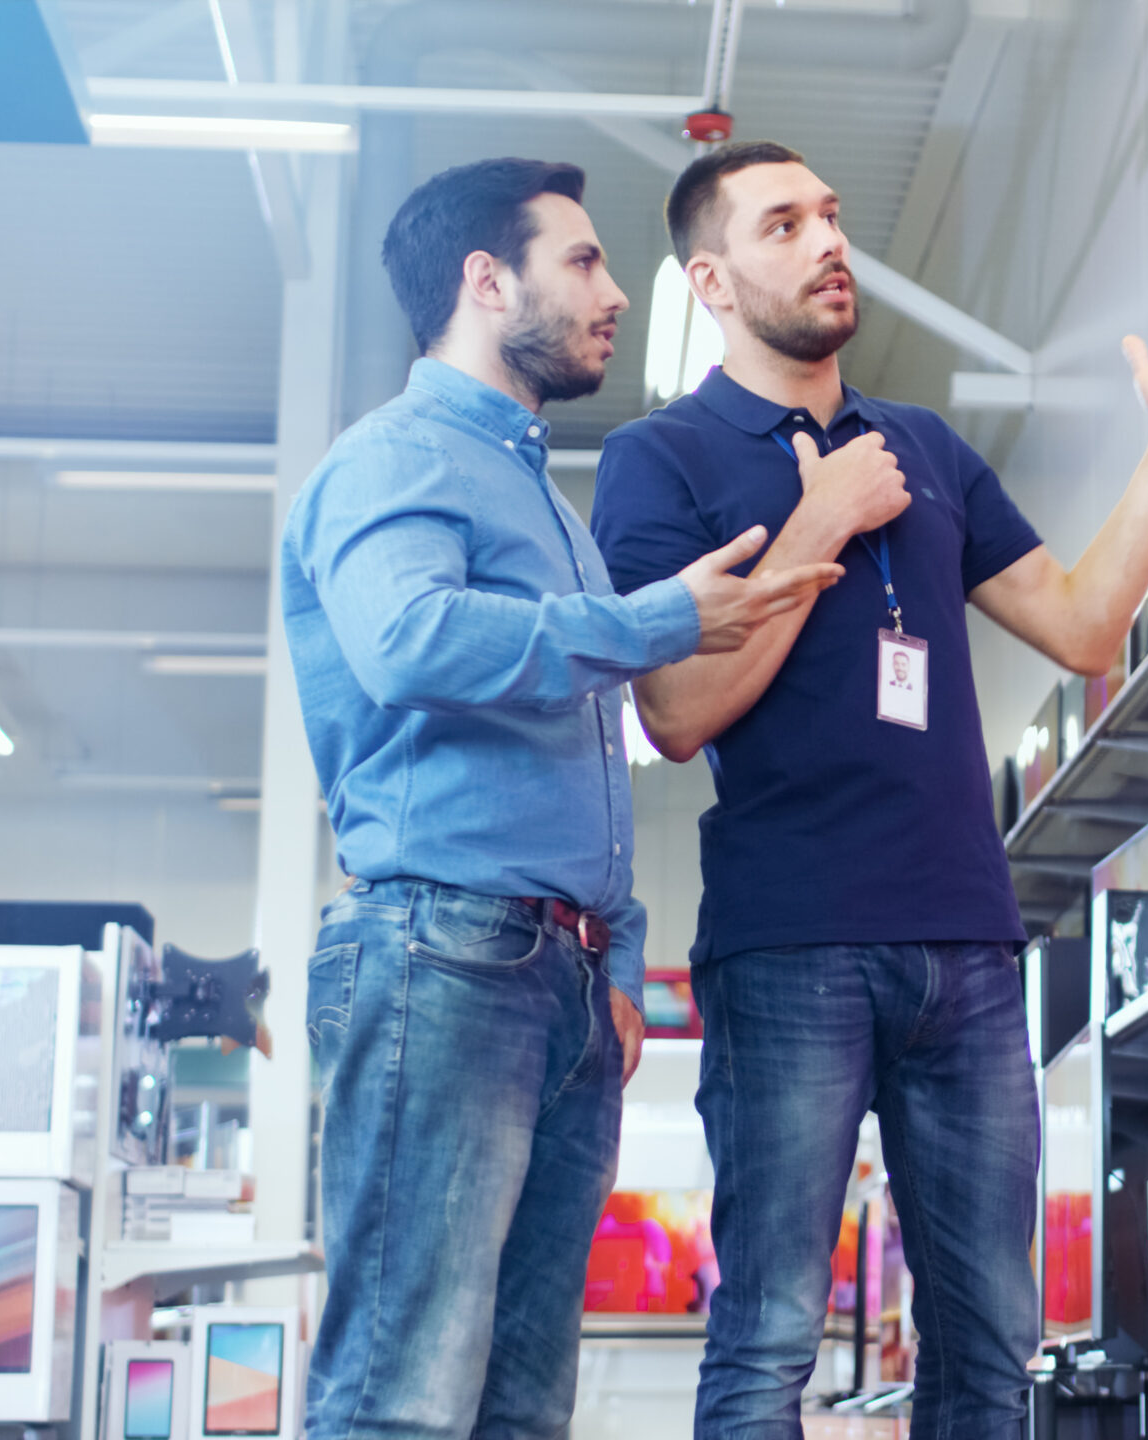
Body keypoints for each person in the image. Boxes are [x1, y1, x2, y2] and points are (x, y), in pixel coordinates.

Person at [590, 141, 1148, 1439]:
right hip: (787, 949)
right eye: (785, 225)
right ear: (710, 279)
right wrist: (818, 522)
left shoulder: (925, 445)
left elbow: (1090, 626)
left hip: (969, 951)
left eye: (832, 213)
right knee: (768, 1338)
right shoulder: (662, 461)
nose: (830, 240)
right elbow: (672, 714)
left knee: (993, 1343)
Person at [283, 156, 843, 1440]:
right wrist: (657, 620)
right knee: (402, 1395)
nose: (615, 295)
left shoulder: (548, 503)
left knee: (521, 1406)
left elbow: (584, 748)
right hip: (443, 956)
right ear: (488, 281)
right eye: (582, 263)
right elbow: (409, 641)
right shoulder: (393, 459)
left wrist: (619, 953)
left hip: (557, 982)